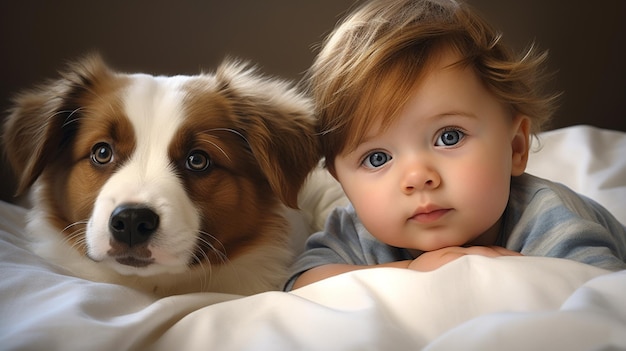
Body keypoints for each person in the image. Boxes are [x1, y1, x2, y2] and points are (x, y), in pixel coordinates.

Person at [284, 0, 626, 291]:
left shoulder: (549, 218)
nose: (417, 177)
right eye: (377, 158)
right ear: (343, 182)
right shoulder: (355, 231)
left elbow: (602, 298)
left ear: (517, 146)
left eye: (449, 136)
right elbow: (302, 283)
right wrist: (415, 271)